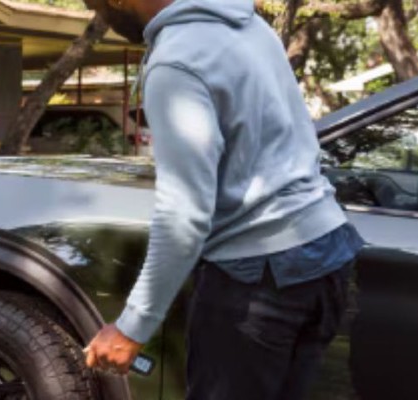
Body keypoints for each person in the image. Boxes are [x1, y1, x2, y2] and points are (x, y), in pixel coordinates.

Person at [80, 0, 365, 399]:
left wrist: (131, 327)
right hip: (327, 256)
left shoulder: (175, 62)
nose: (102, 16)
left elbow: (185, 213)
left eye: (97, 4)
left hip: (260, 278)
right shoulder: (251, 27)